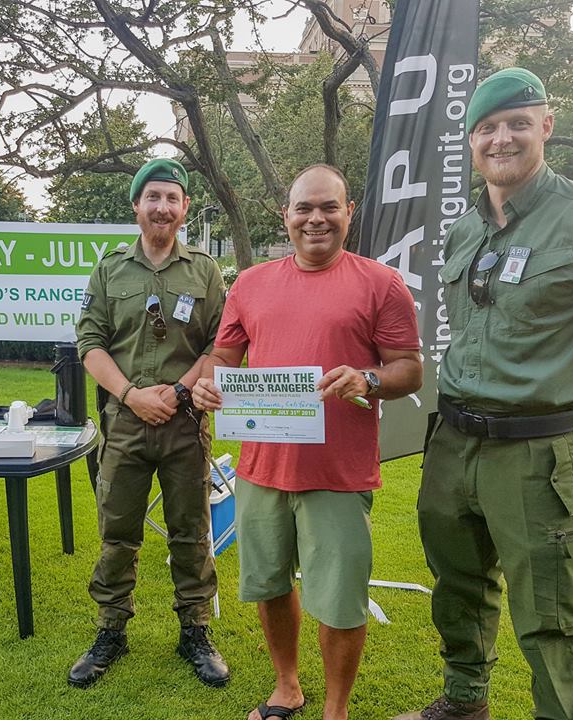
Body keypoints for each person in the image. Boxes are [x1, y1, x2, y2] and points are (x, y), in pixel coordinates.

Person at [394, 68, 573, 720]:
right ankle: (464, 703)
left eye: (518, 123)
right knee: (458, 587)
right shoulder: (465, 230)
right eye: (487, 127)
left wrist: (561, 405)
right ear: (471, 140)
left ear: (547, 124)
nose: (502, 138)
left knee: (550, 612)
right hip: (453, 441)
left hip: (533, 455)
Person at [193, 164, 423, 720]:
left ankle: (335, 711)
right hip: (261, 468)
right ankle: (287, 687)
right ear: (286, 216)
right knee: (269, 585)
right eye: (304, 208)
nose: (316, 219)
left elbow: (410, 369)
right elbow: (223, 355)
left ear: (349, 213)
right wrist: (207, 382)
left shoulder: (381, 282)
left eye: (328, 207)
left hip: (338, 473)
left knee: (340, 601)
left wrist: (367, 379)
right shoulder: (250, 283)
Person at [71, 157, 230, 689]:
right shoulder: (110, 269)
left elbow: (220, 344)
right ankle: (110, 630)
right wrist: (131, 395)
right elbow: (90, 343)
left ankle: (195, 631)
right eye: (153, 197)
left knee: (191, 533)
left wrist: (180, 391)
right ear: (136, 205)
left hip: (186, 425)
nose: (162, 207)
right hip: (125, 423)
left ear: (185, 208)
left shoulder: (204, 271)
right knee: (117, 533)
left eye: (172, 198)